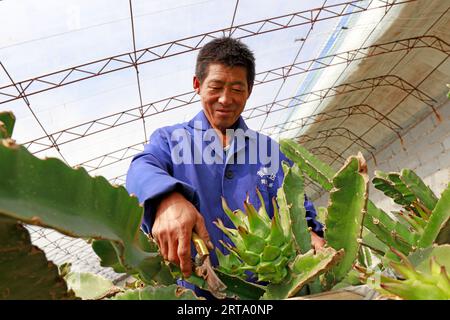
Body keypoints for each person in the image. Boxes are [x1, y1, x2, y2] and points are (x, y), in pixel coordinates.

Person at [126, 37, 325, 296]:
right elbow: (141, 168)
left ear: (249, 90)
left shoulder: (267, 150)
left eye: (237, 89)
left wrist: (310, 233)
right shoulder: (171, 141)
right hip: (195, 294)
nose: (225, 99)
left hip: (269, 293)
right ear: (197, 85)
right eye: (216, 86)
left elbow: (299, 207)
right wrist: (166, 198)